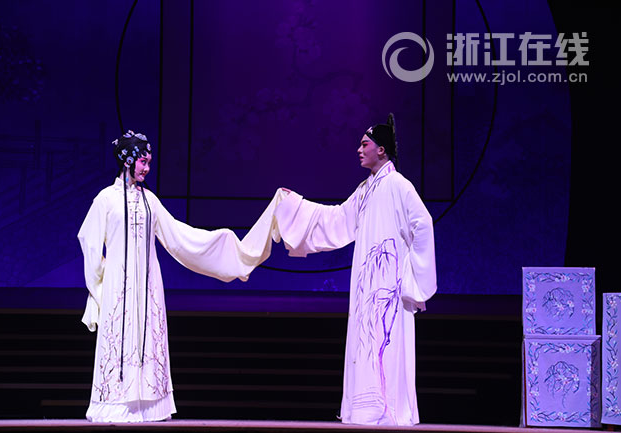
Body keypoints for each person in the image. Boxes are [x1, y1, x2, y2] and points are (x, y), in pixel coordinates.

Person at [77, 130, 284, 422]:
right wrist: (100, 286)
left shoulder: (149, 201)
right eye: (142, 162)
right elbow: (89, 241)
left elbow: (178, 236)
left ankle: (149, 405)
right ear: (127, 160)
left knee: (148, 338)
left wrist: (221, 239)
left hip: (148, 283)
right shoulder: (105, 199)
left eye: (149, 162)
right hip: (117, 286)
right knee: (119, 342)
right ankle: (115, 404)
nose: (147, 168)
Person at [274, 114, 437, 426]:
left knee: (385, 342)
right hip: (367, 283)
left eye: (365, 144)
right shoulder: (365, 189)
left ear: (382, 150)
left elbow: (423, 223)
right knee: (365, 341)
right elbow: (338, 220)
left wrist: (410, 275)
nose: (359, 150)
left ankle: (389, 412)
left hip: (389, 285)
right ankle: (366, 411)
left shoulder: (399, 185)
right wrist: (295, 207)